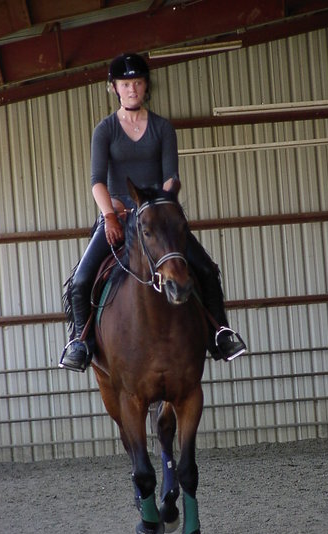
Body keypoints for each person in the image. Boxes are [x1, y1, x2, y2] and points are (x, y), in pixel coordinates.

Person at [59, 52, 246, 372]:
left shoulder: (162, 127)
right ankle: (80, 341)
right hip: (118, 215)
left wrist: (161, 202)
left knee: (206, 269)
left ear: (146, 86)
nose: (132, 89)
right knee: (81, 279)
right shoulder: (105, 130)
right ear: (114, 88)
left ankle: (221, 333)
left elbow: (171, 176)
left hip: (157, 218)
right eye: (125, 84)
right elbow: (96, 181)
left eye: (137, 82)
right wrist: (109, 216)